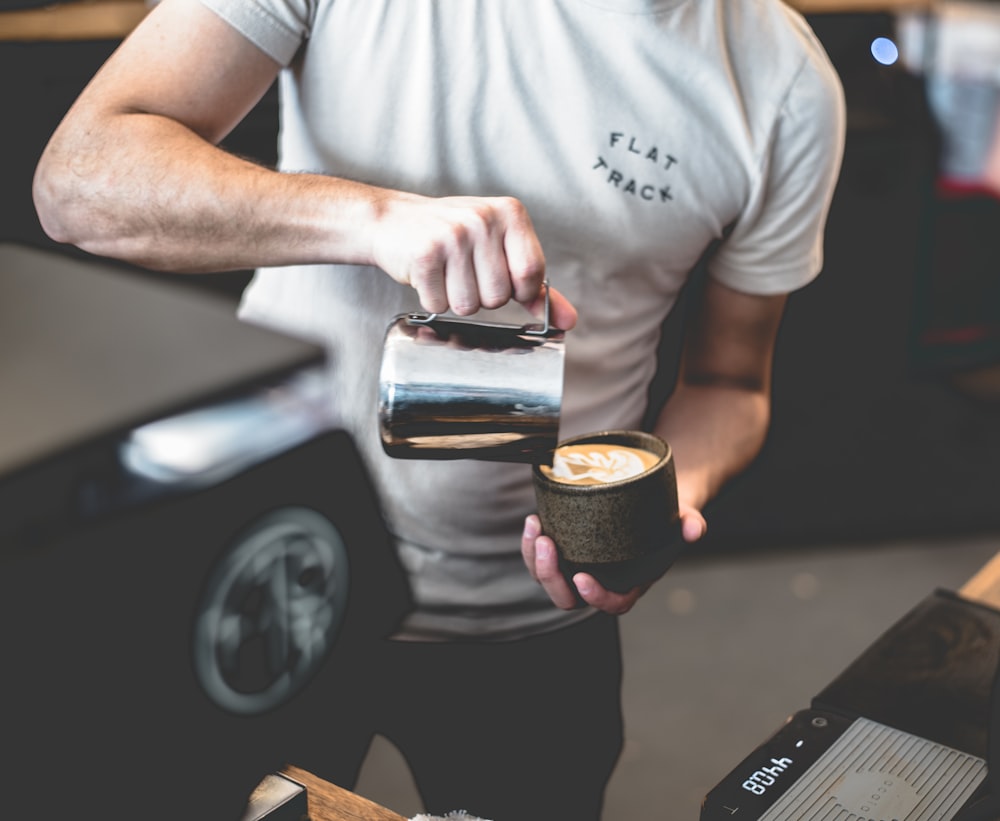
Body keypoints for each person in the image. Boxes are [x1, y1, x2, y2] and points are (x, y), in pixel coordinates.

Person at [32, 1, 846, 818]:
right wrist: (373, 219)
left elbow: (730, 384)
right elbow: (78, 182)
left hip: (532, 620)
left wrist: (662, 498)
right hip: (270, 578)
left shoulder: (784, 86)